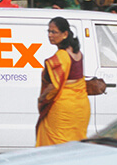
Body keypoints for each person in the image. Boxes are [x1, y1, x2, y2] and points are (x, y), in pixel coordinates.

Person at [35, 17, 91, 146]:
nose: (50, 35)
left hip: (63, 109)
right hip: (81, 107)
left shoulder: (61, 56)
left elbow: (55, 86)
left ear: (65, 34)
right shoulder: (77, 53)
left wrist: (41, 98)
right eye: (48, 31)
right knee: (75, 144)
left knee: (56, 145)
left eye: (54, 32)